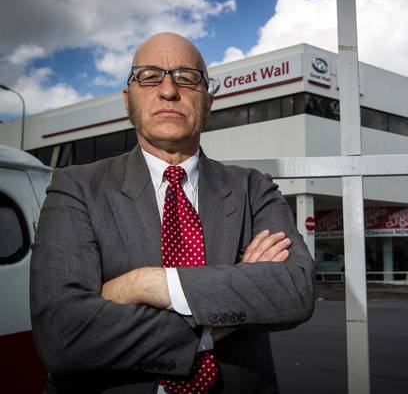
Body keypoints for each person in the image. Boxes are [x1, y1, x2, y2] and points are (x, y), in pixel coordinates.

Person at [30, 32, 315, 394]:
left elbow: (294, 290)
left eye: (187, 77)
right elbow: (63, 336)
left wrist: (146, 283)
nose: (168, 90)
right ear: (127, 100)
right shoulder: (76, 187)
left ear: (208, 102)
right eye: (149, 77)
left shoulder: (253, 188)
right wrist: (230, 301)